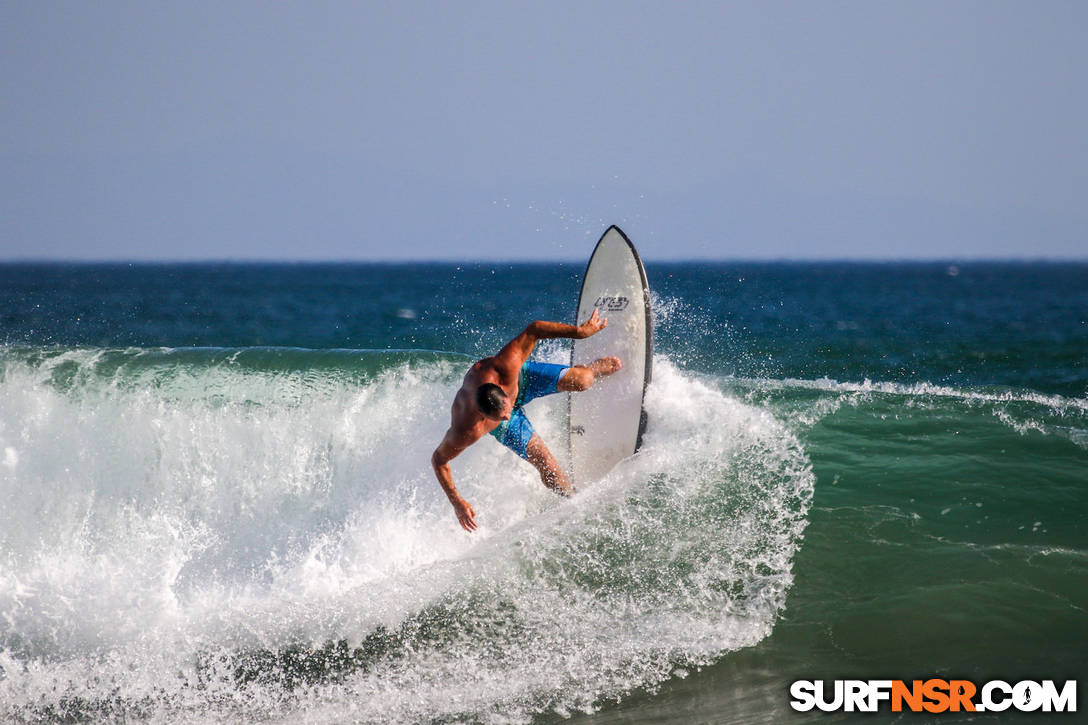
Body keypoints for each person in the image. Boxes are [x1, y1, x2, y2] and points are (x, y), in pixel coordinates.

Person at [431, 309, 621, 532]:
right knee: (548, 467)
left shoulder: (505, 368)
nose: (508, 415)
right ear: (485, 418)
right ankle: (575, 500)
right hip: (497, 416)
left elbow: (535, 329)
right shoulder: (467, 429)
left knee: (584, 381)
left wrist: (579, 332)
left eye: (507, 409)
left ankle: (590, 368)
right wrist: (457, 503)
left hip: (523, 381)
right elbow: (439, 460)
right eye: (501, 417)